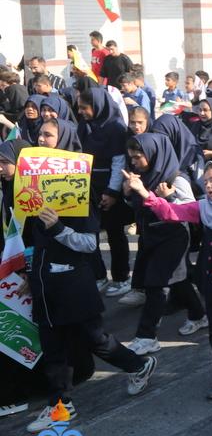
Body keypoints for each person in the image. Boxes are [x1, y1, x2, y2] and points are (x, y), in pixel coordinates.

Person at [23, 159, 157, 433]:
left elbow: (88, 243)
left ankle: (139, 364)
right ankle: (61, 405)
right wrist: (30, 274)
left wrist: (58, 227)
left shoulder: (79, 201)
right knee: (53, 349)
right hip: (45, 288)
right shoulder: (34, 203)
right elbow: (35, 246)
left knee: (96, 339)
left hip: (72, 287)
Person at [127, 162, 212, 399]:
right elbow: (173, 212)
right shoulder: (204, 207)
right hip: (209, 276)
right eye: (207, 181)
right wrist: (142, 191)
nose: (209, 185)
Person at [121, 134, 207, 353]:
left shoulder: (176, 178)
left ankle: (147, 336)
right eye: (131, 157)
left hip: (174, 237)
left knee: (156, 285)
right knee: (178, 280)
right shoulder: (143, 175)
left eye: (138, 157)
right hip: (151, 235)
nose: (134, 162)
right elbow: (138, 206)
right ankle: (199, 315)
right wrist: (127, 193)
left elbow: (192, 210)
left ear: (153, 154)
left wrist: (168, 198)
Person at [77, 87, 134, 296]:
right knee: (89, 231)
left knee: (115, 233)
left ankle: (121, 278)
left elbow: (119, 162)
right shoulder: (85, 126)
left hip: (110, 188)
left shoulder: (116, 128)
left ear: (98, 105)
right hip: (89, 187)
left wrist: (111, 192)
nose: (81, 111)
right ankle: (98, 275)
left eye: (85, 107)